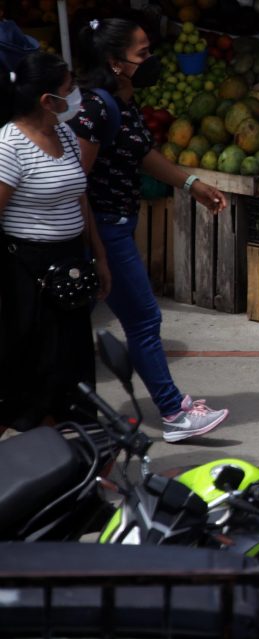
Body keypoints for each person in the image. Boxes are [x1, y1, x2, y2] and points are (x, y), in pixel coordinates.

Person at [70, 17, 229, 443]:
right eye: (142, 53)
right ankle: (174, 411)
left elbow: (142, 153)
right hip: (103, 228)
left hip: (115, 225)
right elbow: (75, 183)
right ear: (115, 62)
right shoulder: (97, 106)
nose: (151, 60)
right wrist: (98, 249)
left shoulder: (123, 99)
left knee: (65, 324)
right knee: (143, 319)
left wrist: (191, 184)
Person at [0, 51, 112, 435]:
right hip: (27, 277)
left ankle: (76, 460)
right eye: (70, 88)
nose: (77, 95)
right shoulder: (9, 146)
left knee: (72, 372)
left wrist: (98, 256)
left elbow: (80, 197)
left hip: (70, 271)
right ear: (47, 100)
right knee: (28, 376)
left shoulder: (63, 132)